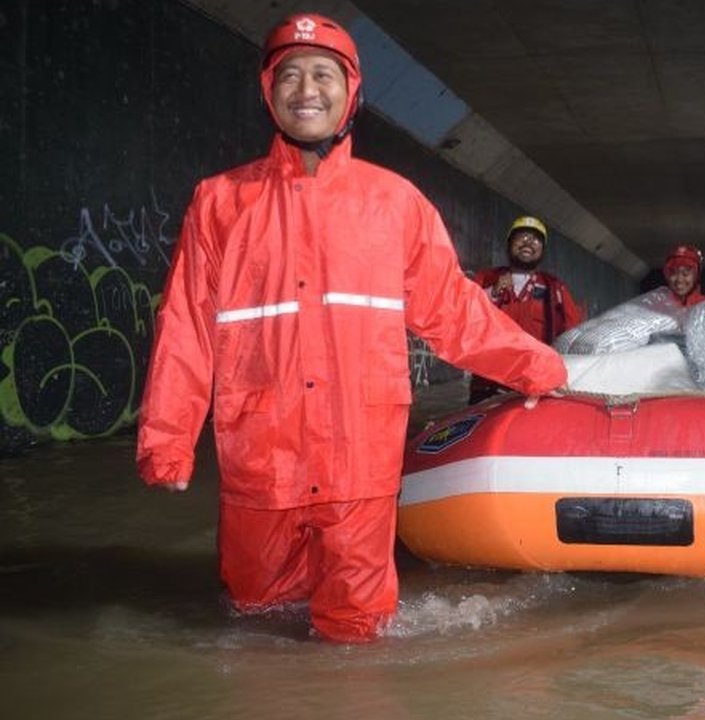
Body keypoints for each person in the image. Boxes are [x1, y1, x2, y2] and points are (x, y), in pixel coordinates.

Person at [134, 13, 566, 643]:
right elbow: (187, 327)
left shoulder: (396, 203)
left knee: (357, 634)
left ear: (351, 92)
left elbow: (454, 311)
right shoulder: (219, 203)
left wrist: (545, 369)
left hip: (359, 460)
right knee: (254, 624)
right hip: (261, 458)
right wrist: (167, 440)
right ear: (268, 91)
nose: (306, 89)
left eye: (323, 73)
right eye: (290, 75)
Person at [470, 215, 583, 402]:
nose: (528, 243)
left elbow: (573, 335)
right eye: (521, 237)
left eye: (535, 239)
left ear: (543, 250)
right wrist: (493, 292)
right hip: (488, 383)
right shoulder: (485, 279)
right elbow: (466, 314)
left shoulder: (555, 288)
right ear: (508, 244)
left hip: (535, 385)